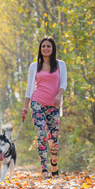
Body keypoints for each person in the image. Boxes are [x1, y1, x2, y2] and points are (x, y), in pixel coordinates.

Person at [22, 36, 67, 178]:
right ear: (40, 49)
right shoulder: (34, 66)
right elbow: (30, 87)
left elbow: (63, 83)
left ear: (53, 49)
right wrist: (25, 107)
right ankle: (44, 169)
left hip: (54, 105)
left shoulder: (61, 65)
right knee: (41, 135)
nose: (45, 49)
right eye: (43, 46)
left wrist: (59, 96)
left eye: (48, 46)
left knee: (53, 139)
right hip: (37, 103)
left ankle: (54, 164)